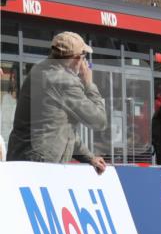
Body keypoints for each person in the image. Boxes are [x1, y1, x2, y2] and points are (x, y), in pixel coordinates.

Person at [6, 31, 108, 173]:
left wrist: (89, 157)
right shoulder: (64, 81)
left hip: (27, 159)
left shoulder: (39, 70)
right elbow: (99, 121)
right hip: (40, 165)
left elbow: (61, 128)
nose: (85, 62)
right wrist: (89, 84)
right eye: (84, 56)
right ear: (77, 59)